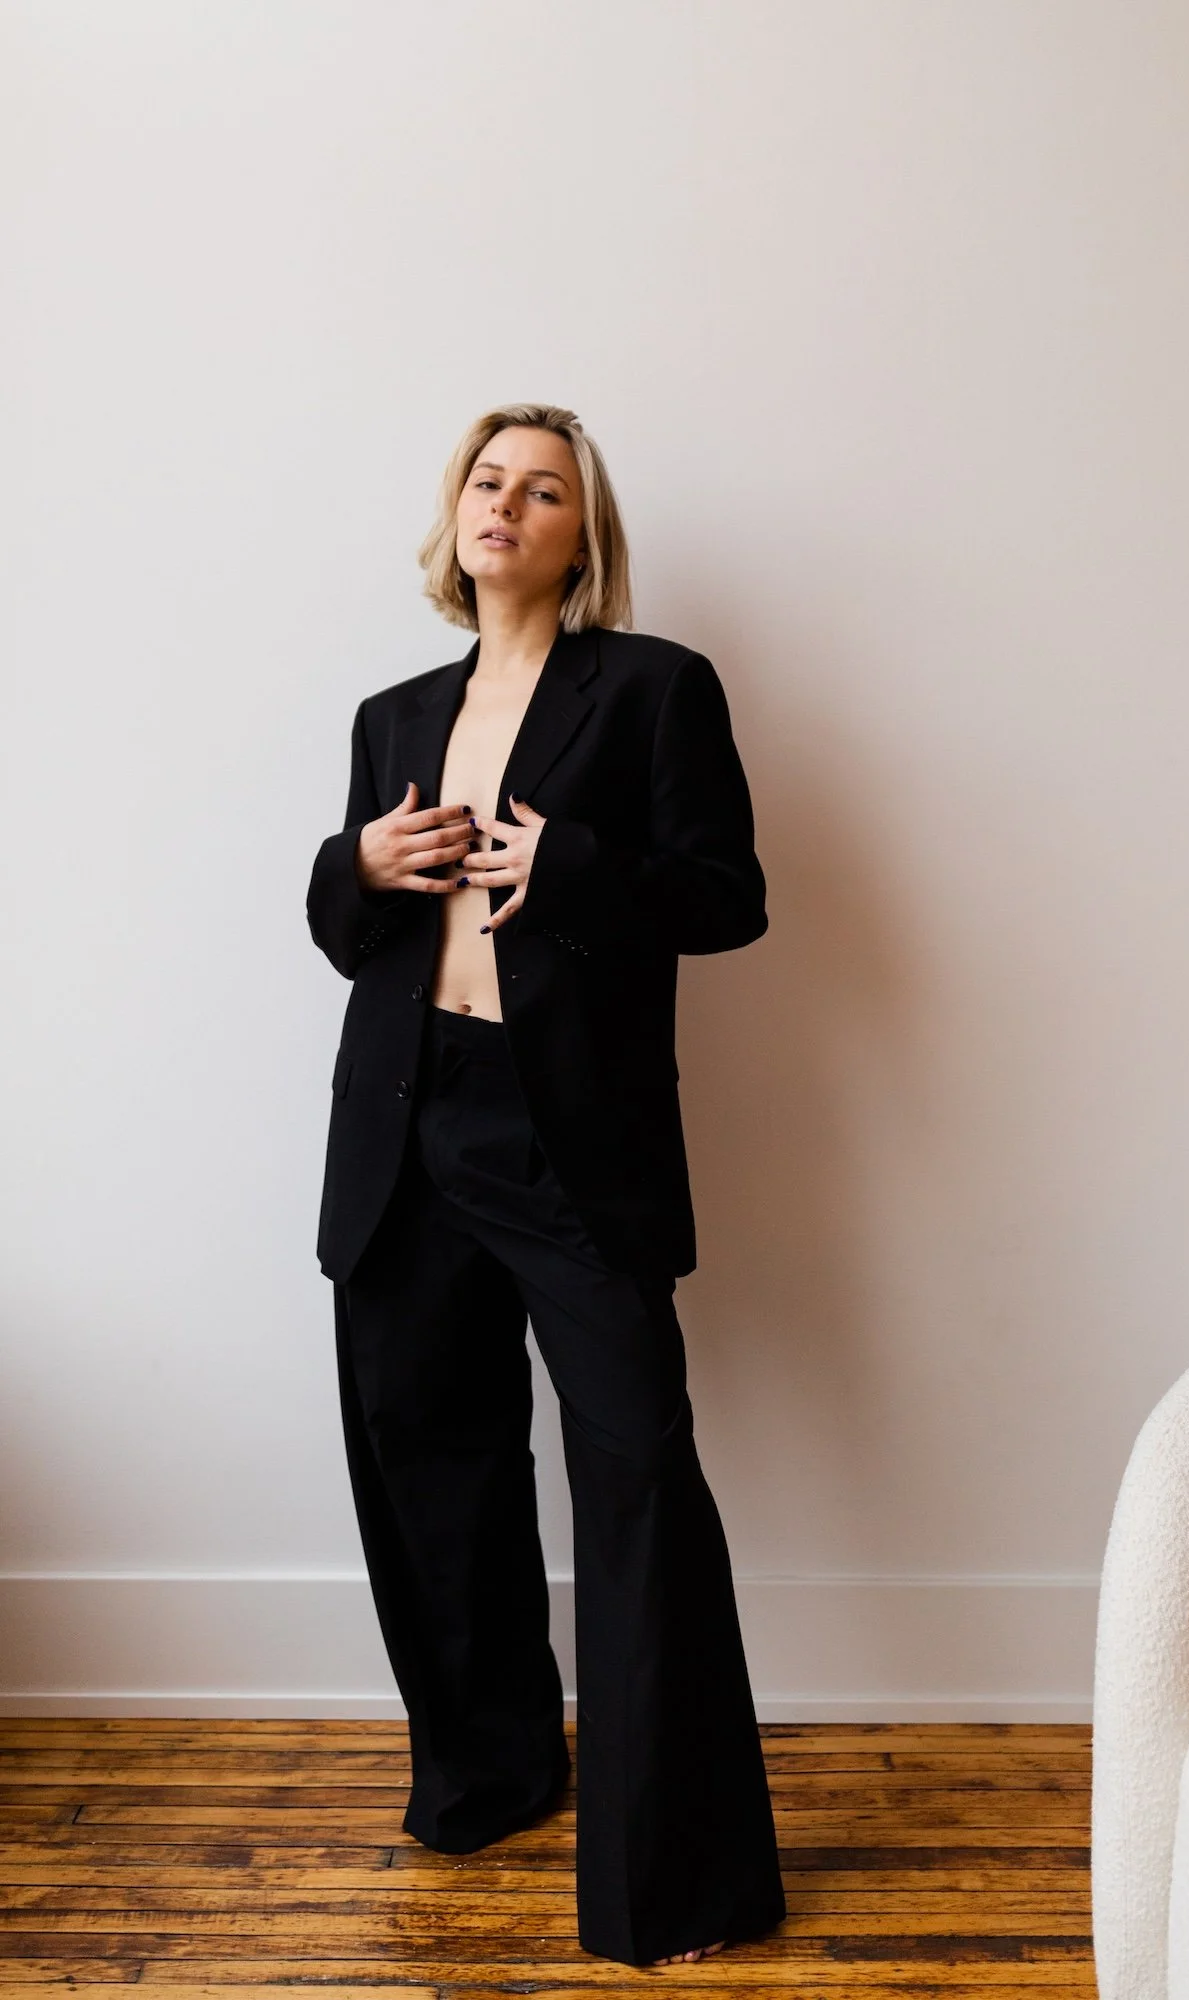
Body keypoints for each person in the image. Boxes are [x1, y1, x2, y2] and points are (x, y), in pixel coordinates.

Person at [305, 402, 786, 1968]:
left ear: (584, 537)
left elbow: (729, 901)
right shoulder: (393, 713)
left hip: (564, 1135)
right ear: (455, 514)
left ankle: (682, 1878)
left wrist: (564, 865)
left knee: (638, 1469)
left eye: (546, 490)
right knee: (431, 1465)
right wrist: (357, 869)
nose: (509, 505)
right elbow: (347, 923)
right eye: (488, 481)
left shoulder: (653, 690)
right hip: (404, 1122)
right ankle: (493, 1772)